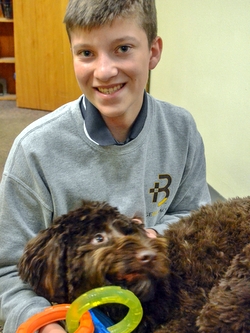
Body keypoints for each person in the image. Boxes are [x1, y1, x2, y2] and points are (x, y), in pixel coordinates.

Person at [0, 0, 211, 332]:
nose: (104, 71)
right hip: (71, 315)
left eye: (122, 48)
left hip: (158, 301)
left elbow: (196, 214)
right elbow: (8, 270)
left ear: (153, 51)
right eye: (86, 53)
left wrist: (152, 235)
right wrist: (40, 323)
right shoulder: (34, 149)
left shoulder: (181, 130)